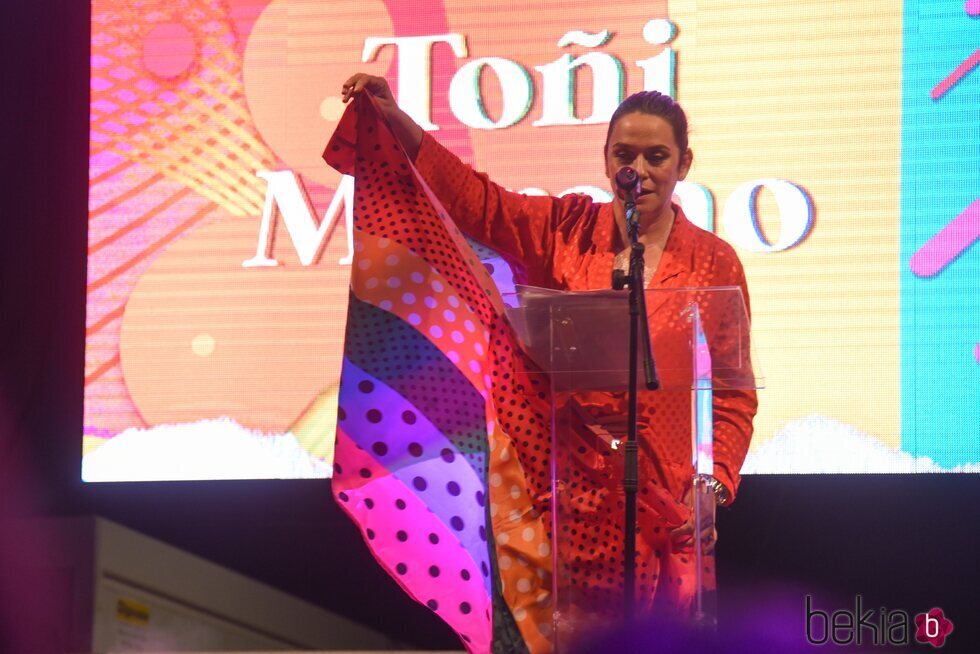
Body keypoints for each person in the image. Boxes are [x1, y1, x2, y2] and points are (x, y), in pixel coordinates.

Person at [336, 73, 757, 651]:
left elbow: (731, 393)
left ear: (684, 165)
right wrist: (398, 123)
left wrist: (712, 485)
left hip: (665, 509)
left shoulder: (714, 264)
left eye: (657, 156)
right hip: (564, 504)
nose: (639, 169)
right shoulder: (564, 228)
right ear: (607, 161)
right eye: (624, 154)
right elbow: (475, 201)